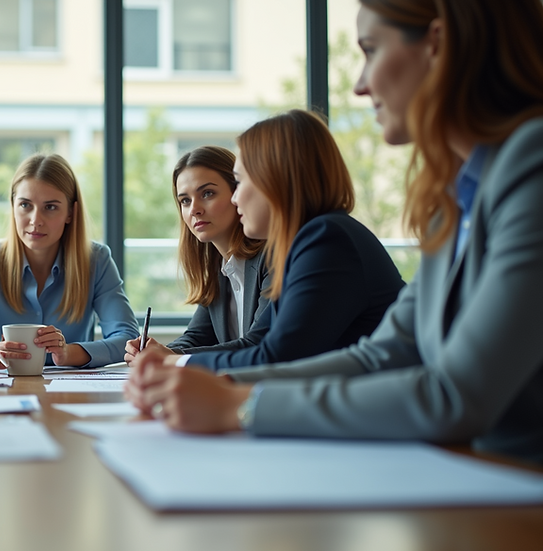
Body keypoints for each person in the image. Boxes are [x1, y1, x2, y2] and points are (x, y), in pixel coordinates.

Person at [126, 0, 543, 465]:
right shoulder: (452, 200)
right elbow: (379, 356)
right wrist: (219, 386)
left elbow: (454, 394)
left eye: (370, 49)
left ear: (437, 45)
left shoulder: (531, 168)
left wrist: (240, 405)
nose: (360, 85)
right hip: (469, 472)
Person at [144, 110, 405, 373]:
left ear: (277, 179)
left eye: (240, 182)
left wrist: (174, 361)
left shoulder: (327, 240)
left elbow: (275, 355)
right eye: (184, 200)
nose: (235, 198)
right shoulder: (306, 242)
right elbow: (269, 347)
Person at [0, 153, 138, 369]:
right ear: (13, 206)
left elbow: (128, 340)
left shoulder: (97, 261)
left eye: (50, 207)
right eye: (25, 205)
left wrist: (68, 353)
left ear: (70, 213)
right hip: (3, 386)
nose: (35, 220)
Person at [123, 146, 270, 365]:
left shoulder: (271, 258)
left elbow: (258, 344)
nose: (194, 209)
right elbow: (196, 337)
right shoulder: (218, 268)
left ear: (237, 194)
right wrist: (156, 353)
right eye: (185, 200)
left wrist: (172, 358)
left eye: (207, 193)